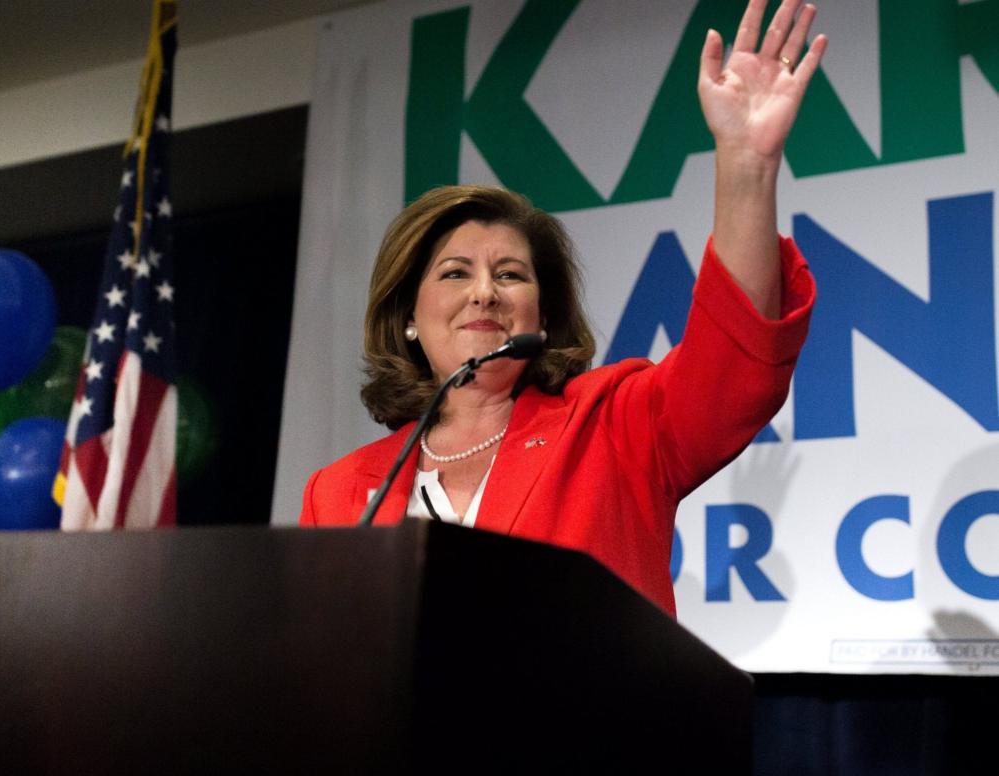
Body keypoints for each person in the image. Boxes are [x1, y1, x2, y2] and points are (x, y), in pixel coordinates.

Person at [299, 0, 826, 617]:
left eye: (510, 275)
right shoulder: (339, 494)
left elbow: (733, 363)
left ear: (542, 316)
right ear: (407, 317)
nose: (484, 292)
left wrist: (746, 164)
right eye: (455, 273)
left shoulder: (615, 427)